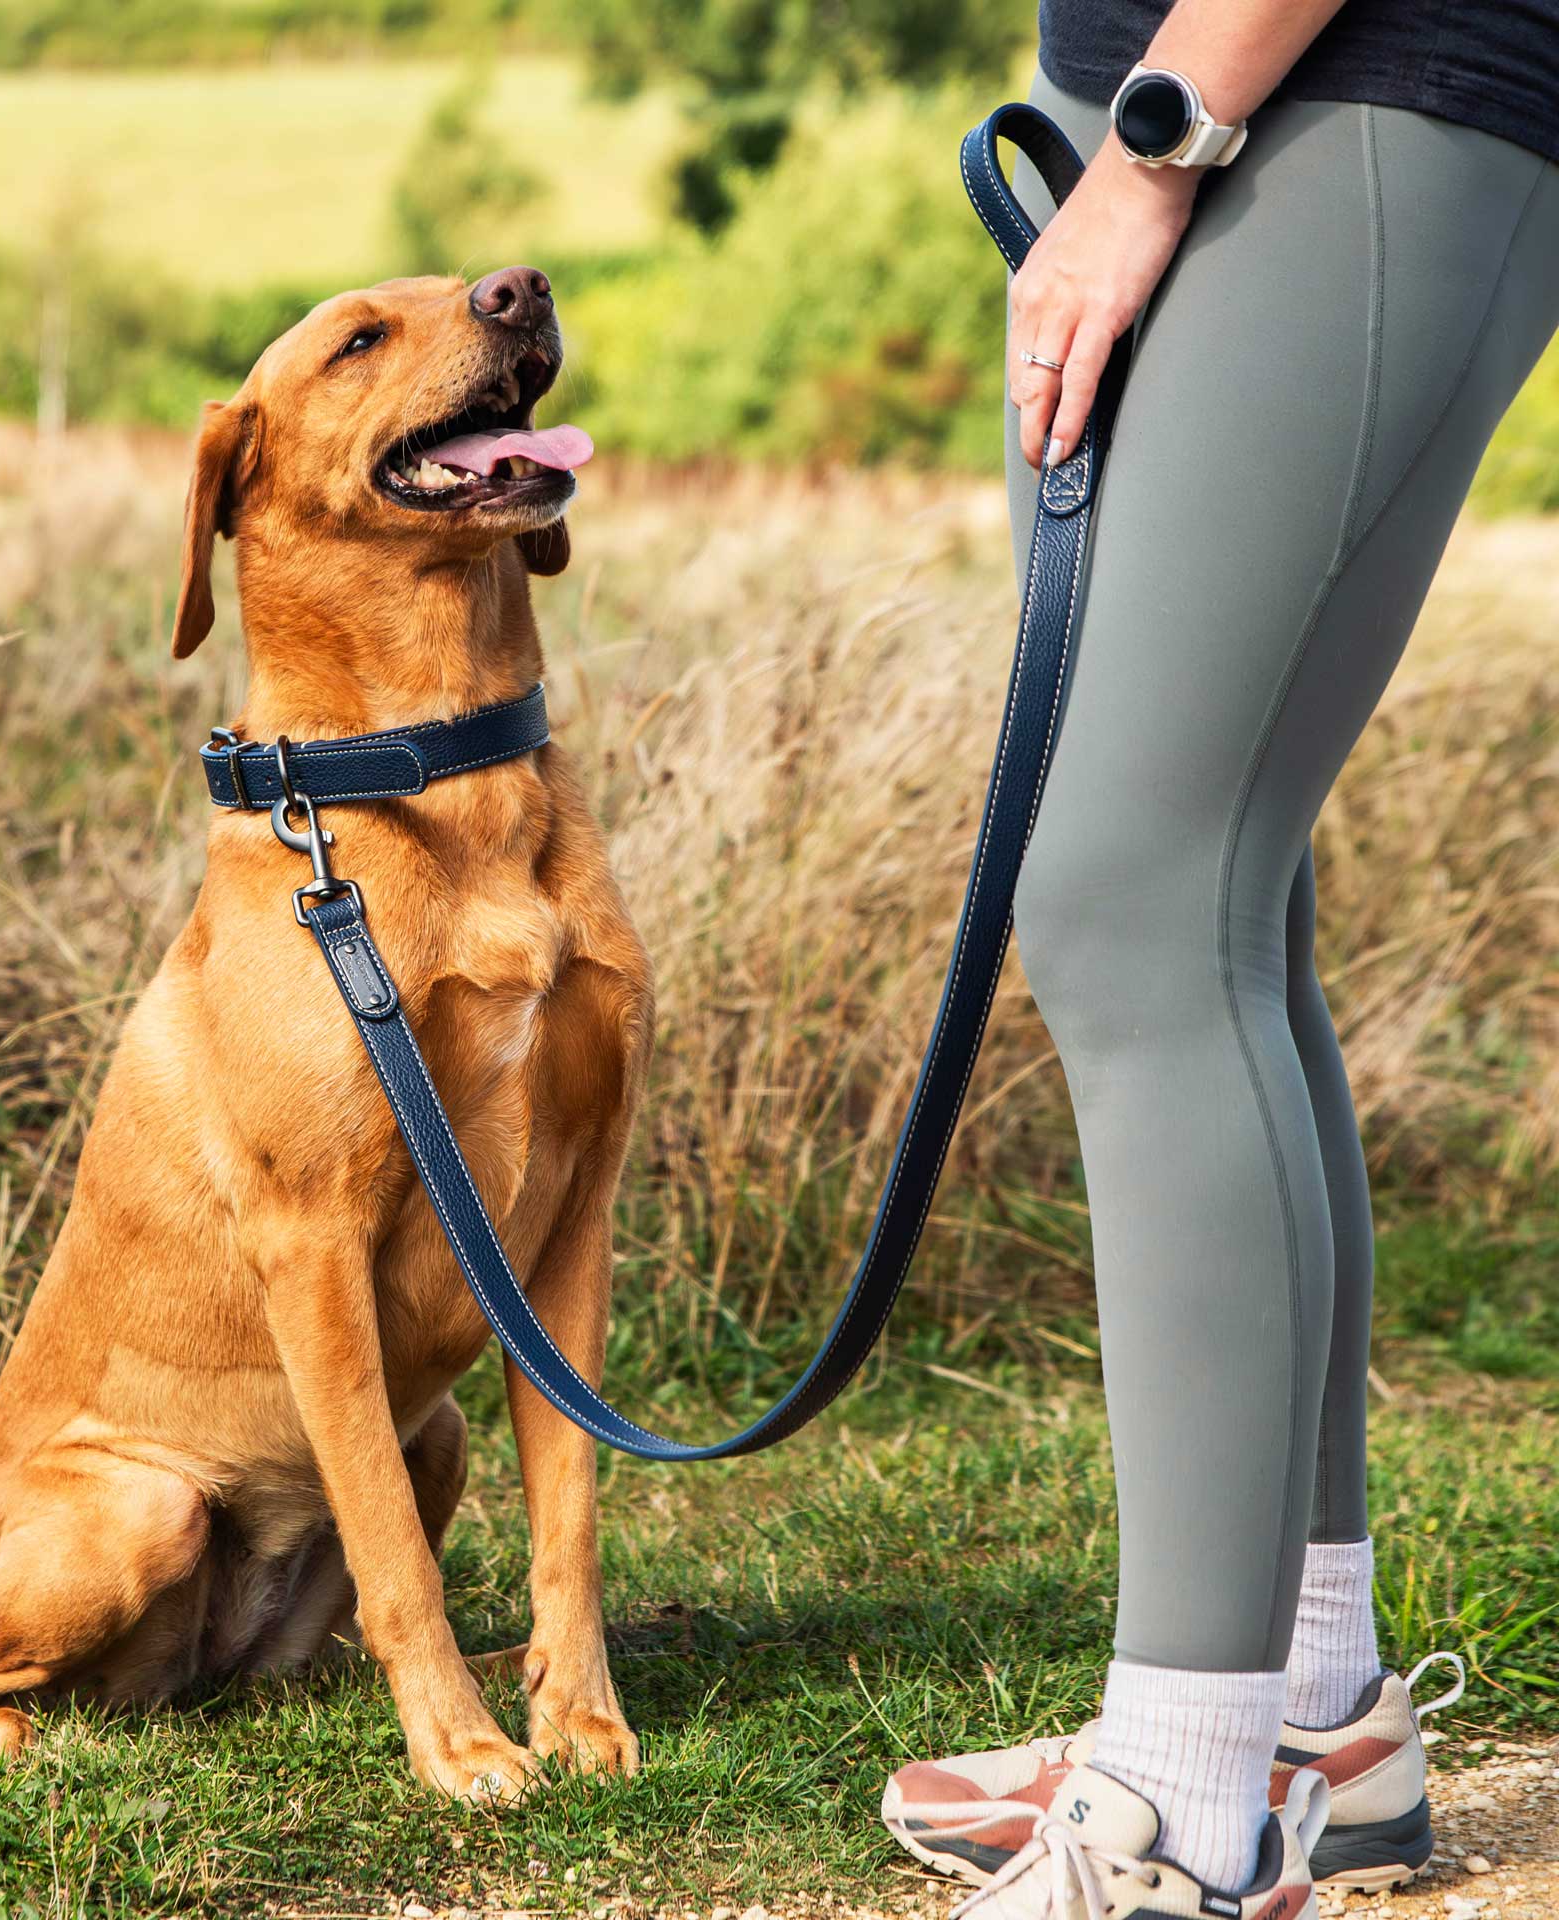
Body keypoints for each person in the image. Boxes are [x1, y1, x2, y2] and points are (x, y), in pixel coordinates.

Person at [880, 0, 1559, 1911]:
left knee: (1130, 896)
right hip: (1156, 93)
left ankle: (1182, 1804)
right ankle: (1314, 1719)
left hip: (1325, 89)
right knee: (1226, 896)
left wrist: (1168, 139)